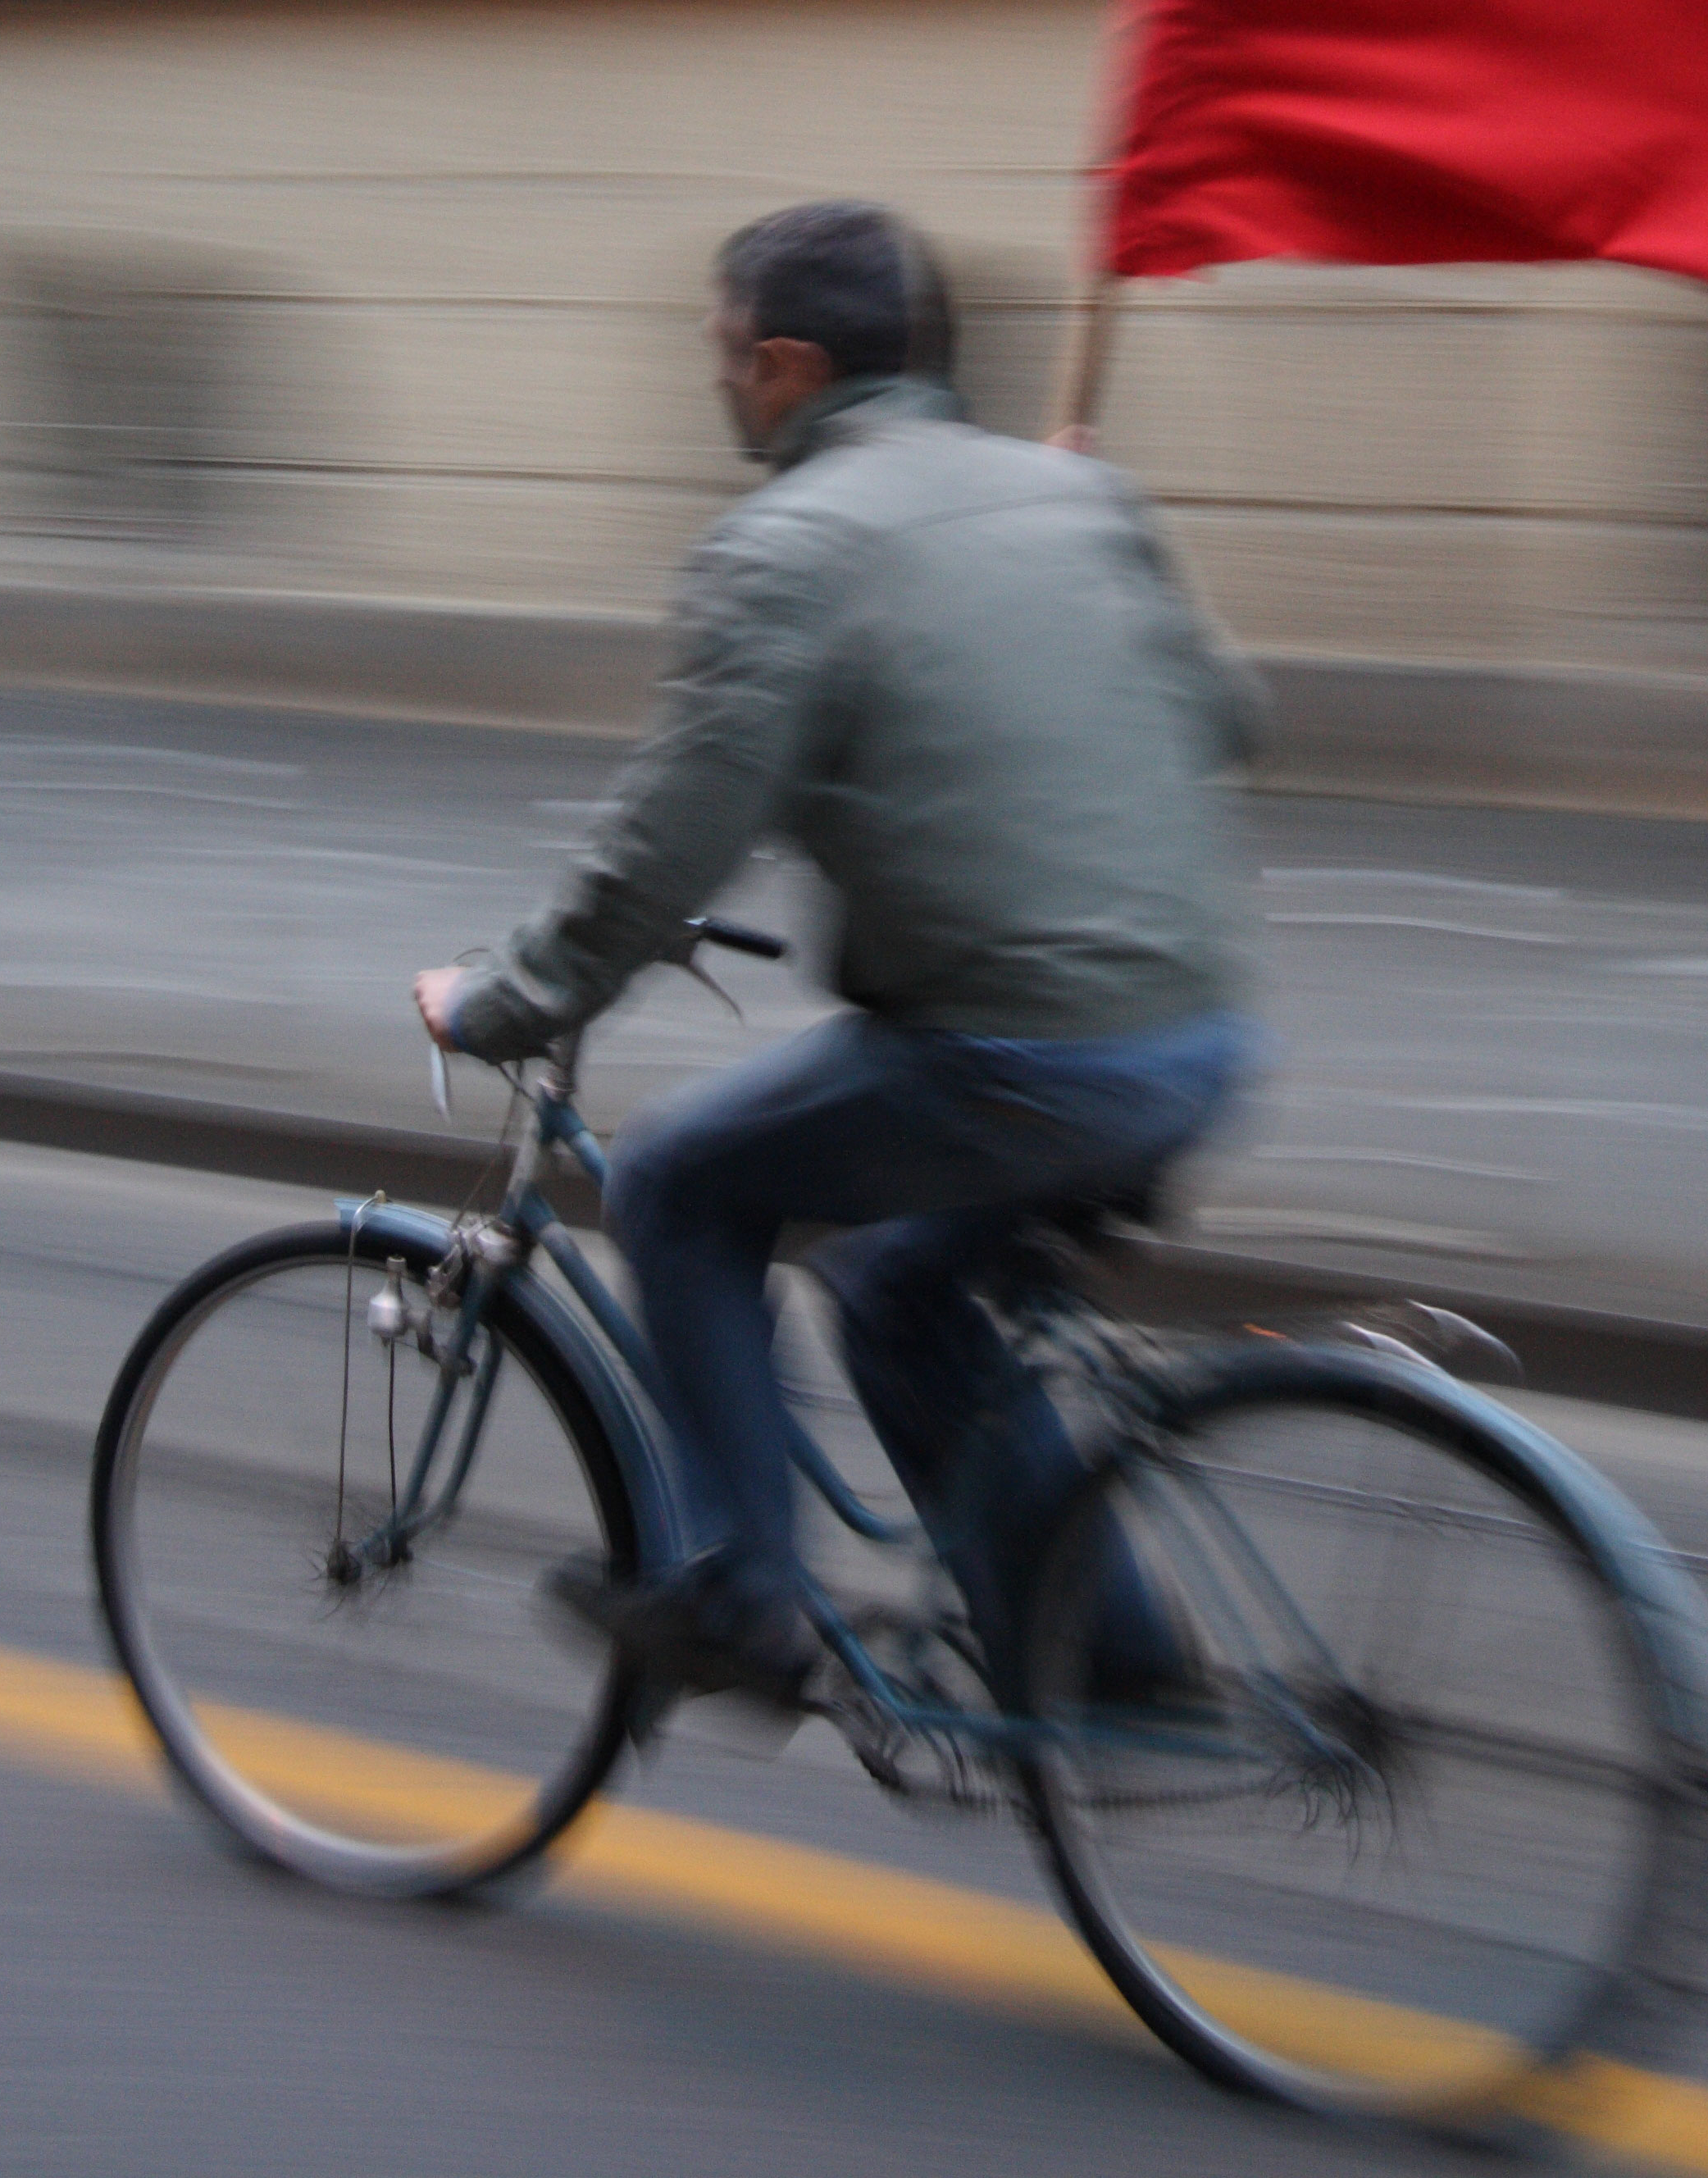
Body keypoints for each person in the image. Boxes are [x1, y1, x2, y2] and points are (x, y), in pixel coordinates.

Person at [415, 200, 1266, 1706]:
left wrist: (502, 999)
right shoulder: (1080, 500)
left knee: (676, 1181)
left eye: (725, 352)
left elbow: (663, 848)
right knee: (895, 1290)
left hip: (1018, 1058)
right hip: (1196, 1044)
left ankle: (745, 1599)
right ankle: (1108, 1660)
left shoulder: (783, 548)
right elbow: (1230, 725)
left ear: (793, 368)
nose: (719, 379)